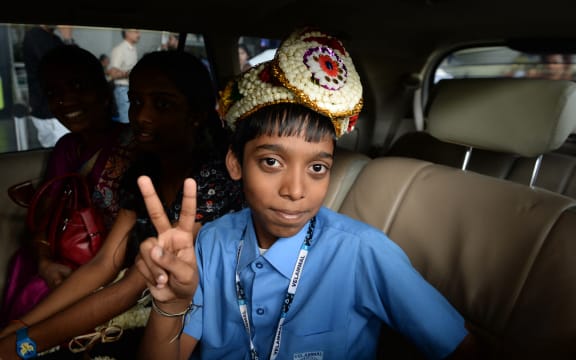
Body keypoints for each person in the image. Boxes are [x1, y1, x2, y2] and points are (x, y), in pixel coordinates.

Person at [135, 27, 485, 360]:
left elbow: (461, 349)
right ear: (236, 163)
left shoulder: (363, 252)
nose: (296, 191)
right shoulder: (213, 241)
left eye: (317, 168)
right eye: (271, 162)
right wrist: (171, 305)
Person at [0, 50, 244, 360]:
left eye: (162, 104)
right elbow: (105, 263)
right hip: (153, 302)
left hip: (201, 322)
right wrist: (19, 326)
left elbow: (132, 286)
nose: (142, 116)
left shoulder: (211, 181)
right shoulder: (146, 170)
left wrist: (23, 345)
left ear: (195, 113)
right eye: (136, 102)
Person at [0, 44, 135, 328]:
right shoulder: (65, 149)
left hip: (117, 267)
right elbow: (44, 222)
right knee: (35, 291)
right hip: (65, 261)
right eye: (54, 93)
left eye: (77, 86)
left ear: (102, 90)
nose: (66, 100)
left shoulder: (134, 145)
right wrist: (45, 262)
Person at [22, 25, 73, 148]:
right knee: (65, 155)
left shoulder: (55, 39)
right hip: (48, 110)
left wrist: (67, 39)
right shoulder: (34, 35)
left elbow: (75, 64)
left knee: (59, 156)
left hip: (53, 108)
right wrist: (67, 38)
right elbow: (57, 66)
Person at [109, 28, 141, 124]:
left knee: (132, 118)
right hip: (122, 89)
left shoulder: (133, 49)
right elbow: (113, 74)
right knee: (126, 120)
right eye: (136, 31)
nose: (139, 34)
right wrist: (129, 73)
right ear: (127, 33)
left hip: (131, 89)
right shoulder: (120, 49)